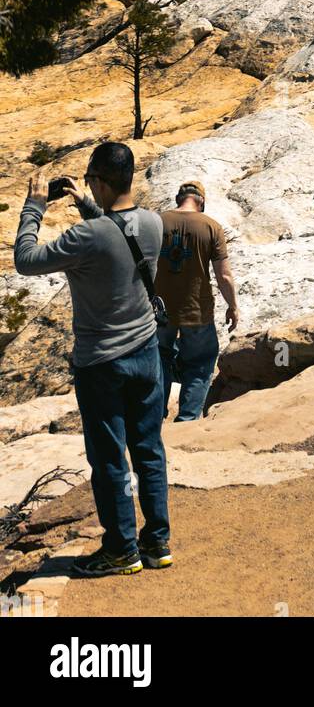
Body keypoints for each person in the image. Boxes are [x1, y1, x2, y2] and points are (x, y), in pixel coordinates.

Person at [14, 143, 170, 578]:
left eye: (89, 181)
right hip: (146, 353)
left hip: (102, 363)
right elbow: (118, 233)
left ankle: (121, 550)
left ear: (100, 180)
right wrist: (87, 202)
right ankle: (157, 543)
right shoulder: (153, 223)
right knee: (149, 450)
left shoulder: (85, 238)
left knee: (109, 460)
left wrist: (33, 209)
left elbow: (25, 261)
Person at [156, 181, 238, 423]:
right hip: (197, 310)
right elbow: (224, 276)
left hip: (159, 310)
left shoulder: (157, 222)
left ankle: (154, 415)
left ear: (177, 198)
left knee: (159, 360)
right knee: (200, 364)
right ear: (201, 201)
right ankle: (187, 421)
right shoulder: (211, 226)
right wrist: (233, 306)